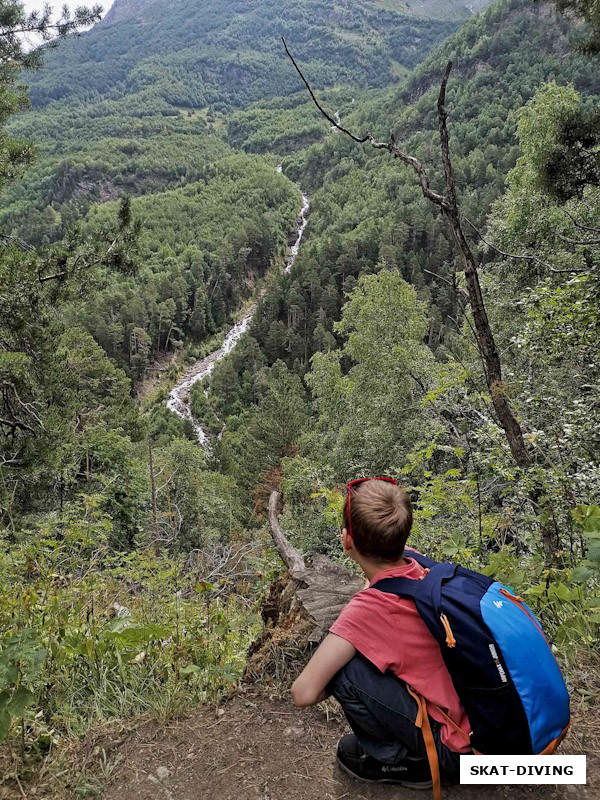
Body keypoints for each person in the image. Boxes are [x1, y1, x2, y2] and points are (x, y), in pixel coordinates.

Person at [291, 477, 469, 790]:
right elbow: (378, 579)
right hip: (478, 722)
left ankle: (404, 761)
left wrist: (337, 684)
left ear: (347, 540)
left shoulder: (367, 611)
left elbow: (303, 693)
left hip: (455, 753)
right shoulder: (416, 564)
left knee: (343, 669)